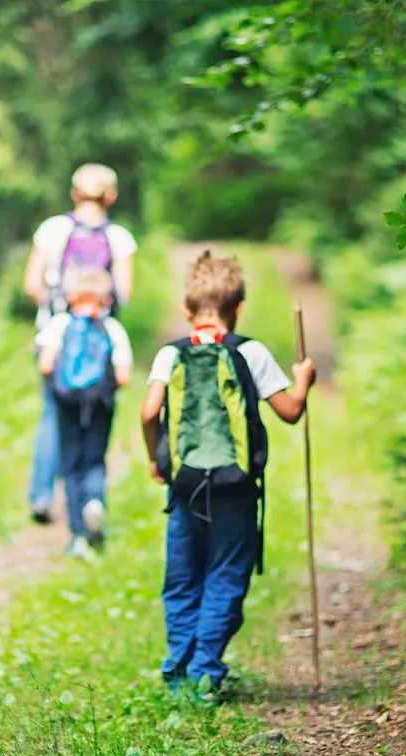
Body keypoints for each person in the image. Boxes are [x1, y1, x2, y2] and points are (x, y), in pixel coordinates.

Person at [140, 251, 315, 696]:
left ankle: (179, 673)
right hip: (237, 488)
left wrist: (156, 459)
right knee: (226, 576)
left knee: (182, 578)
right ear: (239, 307)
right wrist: (303, 380)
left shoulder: (169, 355)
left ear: (186, 309)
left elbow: (149, 412)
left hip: (184, 485)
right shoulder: (250, 352)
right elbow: (290, 412)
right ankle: (205, 672)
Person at [23, 163, 137, 524]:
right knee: (97, 417)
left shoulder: (53, 229)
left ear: (74, 193)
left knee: (52, 415)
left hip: (55, 335)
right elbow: (125, 292)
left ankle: (42, 497)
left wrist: (57, 313)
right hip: (102, 343)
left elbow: (31, 283)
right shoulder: (119, 237)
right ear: (111, 196)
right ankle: (91, 492)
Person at [37, 267, 132, 557]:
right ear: (106, 299)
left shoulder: (59, 324)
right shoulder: (113, 328)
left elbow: (45, 365)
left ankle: (78, 532)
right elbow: (124, 376)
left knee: (71, 463)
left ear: (70, 295)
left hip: (67, 406)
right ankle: (95, 505)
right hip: (101, 406)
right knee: (95, 460)